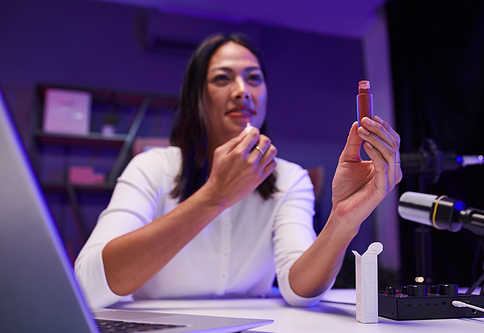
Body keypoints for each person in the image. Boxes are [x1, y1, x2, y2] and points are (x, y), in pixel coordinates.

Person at [75, 33, 402, 308]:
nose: (242, 90)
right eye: (222, 78)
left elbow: (299, 290)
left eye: (254, 78)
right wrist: (213, 197)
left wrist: (343, 220)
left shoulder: (289, 178)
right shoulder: (152, 167)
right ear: (197, 98)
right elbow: (89, 285)